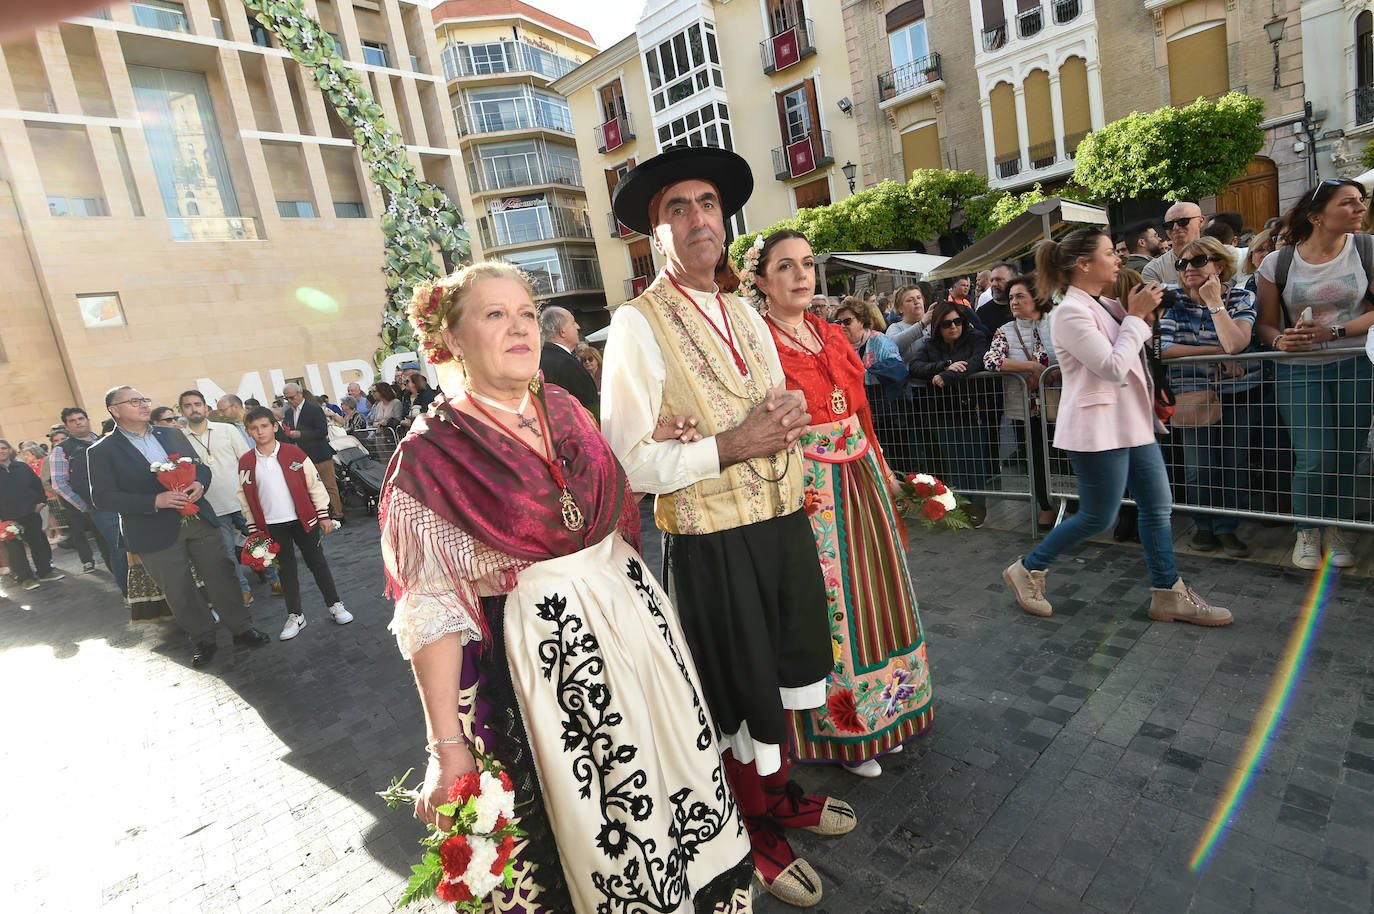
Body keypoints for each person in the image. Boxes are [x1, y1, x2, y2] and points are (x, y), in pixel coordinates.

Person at [382, 260, 753, 913]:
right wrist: (447, 748)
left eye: (525, 312)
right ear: (453, 337)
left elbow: (601, 505)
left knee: (675, 772)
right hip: (544, 659)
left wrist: (657, 439)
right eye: (495, 314)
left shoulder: (564, 407)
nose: (519, 327)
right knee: (601, 812)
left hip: (632, 622)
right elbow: (430, 608)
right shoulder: (429, 455)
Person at [605, 145, 849, 906]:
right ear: (656, 235)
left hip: (779, 525)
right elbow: (629, 465)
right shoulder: (635, 326)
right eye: (675, 208)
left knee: (782, 669)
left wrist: (784, 417)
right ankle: (750, 826)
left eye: (706, 203)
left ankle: (777, 796)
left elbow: (781, 407)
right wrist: (729, 443)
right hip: (711, 543)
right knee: (739, 691)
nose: (696, 218)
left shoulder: (744, 311)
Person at [752, 230, 934, 781]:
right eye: (785, 266)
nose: (801, 275)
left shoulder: (830, 335)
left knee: (880, 588)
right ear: (760, 280)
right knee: (834, 601)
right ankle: (843, 732)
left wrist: (887, 475)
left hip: (859, 478)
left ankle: (888, 712)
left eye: (807, 263)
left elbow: (860, 415)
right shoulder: (756, 344)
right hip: (807, 487)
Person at [1001, 228, 1232, 626]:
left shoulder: (1105, 303)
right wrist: (1138, 317)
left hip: (1132, 423)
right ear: (1084, 264)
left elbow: (1133, 346)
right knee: (1098, 516)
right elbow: (1110, 365)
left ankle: (1168, 593)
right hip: (1096, 428)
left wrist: (1147, 311)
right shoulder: (1070, 313)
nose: (1119, 259)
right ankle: (1028, 568)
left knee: (1158, 507)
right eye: (1110, 253)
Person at [87, 386, 270, 666]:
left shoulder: (172, 434)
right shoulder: (102, 450)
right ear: (115, 410)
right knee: (178, 589)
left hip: (197, 518)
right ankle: (203, 639)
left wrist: (200, 483)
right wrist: (154, 500)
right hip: (152, 531)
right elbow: (102, 497)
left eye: (144, 398)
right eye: (134, 401)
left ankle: (242, 628)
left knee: (222, 574)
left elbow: (201, 468)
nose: (143, 404)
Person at [1254, 178, 1374, 570]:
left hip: (1356, 364)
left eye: (1361, 201)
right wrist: (1279, 343)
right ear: (1317, 216)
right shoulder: (1279, 262)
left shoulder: (1368, 249)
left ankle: (1337, 530)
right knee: (1314, 454)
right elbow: (1266, 325)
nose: (1359, 209)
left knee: (1348, 453)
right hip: (1298, 369)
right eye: (1348, 203)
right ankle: (1307, 530)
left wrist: (1335, 331)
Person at [1158, 236, 1261, 558]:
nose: (1189, 268)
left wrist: (1214, 302)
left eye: (1198, 261)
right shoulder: (1172, 299)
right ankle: (1203, 525)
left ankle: (1227, 527)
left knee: (1234, 462)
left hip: (1238, 394)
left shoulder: (1241, 296)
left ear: (1219, 264)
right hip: (1192, 393)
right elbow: (1162, 348)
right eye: (1182, 263)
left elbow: (1238, 342)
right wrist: (1217, 351)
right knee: (1198, 465)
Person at [238, 406, 350, 641]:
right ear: (248, 432)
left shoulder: (294, 454)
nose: (260, 432)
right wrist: (253, 529)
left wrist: (324, 515)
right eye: (254, 428)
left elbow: (315, 484)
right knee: (286, 572)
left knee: (317, 563)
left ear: (274, 427)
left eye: (264, 426)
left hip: (303, 521)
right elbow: (244, 496)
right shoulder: (246, 462)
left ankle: (335, 605)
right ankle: (295, 615)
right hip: (272, 525)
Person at [179, 389, 280, 606]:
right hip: (210, 505)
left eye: (197, 404)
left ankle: (275, 580)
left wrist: (255, 493)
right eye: (188, 405)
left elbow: (248, 461)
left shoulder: (227, 430)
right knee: (227, 553)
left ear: (206, 407)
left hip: (240, 498)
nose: (194, 409)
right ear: (182, 410)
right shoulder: (179, 439)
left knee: (257, 542)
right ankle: (243, 589)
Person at [909, 299, 993, 527]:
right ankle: (961, 508)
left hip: (970, 408)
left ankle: (978, 507)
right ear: (938, 326)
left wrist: (949, 375)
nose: (954, 326)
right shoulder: (930, 344)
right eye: (947, 324)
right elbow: (914, 366)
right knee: (954, 462)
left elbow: (979, 360)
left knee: (975, 461)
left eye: (957, 321)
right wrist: (944, 366)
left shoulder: (974, 337)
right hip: (942, 411)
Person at [984, 275, 1058, 528]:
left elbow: (1074, 356)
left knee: (1064, 456)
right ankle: (1046, 506)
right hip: (1025, 410)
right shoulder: (1005, 331)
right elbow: (992, 360)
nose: (1013, 302)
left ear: (1037, 297)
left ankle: (1072, 501)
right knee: (1036, 459)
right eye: (1011, 297)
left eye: (1020, 296)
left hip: (1060, 406)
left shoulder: (1057, 324)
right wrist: (1031, 367)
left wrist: (1049, 375)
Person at [51, 406, 125, 587]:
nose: (78, 422)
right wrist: (85, 506)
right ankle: (128, 592)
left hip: (124, 501)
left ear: (87, 419)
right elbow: (59, 484)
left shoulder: (104, 440)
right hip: (99, 508)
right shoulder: (62, 450)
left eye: (80, 418)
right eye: (72, 420)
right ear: (67, 425)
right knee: (117, 549)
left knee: (135, 545)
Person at [0, 439, 64, 590]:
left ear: (9, 450)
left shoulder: (22, 467)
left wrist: (41, 502)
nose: (1, 451)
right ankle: (25, 578)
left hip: (31, 513)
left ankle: (45, 571)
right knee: (15, 551)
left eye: (4, 448)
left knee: (39, 543)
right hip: (8, 519)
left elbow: (37, 486)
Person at [277, 383, 344, 524]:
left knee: (328, 485)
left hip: (320, 453)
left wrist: (300, 434)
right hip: (302, 456)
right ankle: (321, 515)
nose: (289, 401)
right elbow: (289, 431)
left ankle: (338, 514)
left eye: (292, 397)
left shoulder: (313, 409)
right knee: (310, 488)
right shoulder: (289, 412)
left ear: (300, 394)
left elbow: (322, 432)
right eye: (287, 398)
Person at [537, 305, 599, 412]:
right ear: (562, 332)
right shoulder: (567, 364)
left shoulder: (539, 359)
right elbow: (589, 406)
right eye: (573, 322)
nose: (578, 327)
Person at [1142, 201, 1204, 286]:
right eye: (1169, 225)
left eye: (1183, 221)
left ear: (1201, 221)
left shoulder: (1222, 255)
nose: (1176, 228)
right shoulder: (1154, 269)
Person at [886, 282, 932, 365]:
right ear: (900, 308)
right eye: (910, 300)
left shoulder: (934, 321)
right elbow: (892, 346)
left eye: (919, 297)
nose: (916, 301)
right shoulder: (895, 327)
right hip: (911, 376)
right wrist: (922, 324)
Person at [976, 262, 1015, 335]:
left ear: (1013, 281)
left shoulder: (1022, 309)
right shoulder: (982, 313)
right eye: (992, 280)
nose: (993, 284)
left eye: (999, 279)